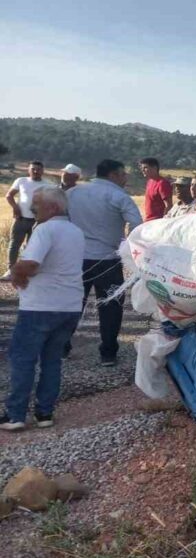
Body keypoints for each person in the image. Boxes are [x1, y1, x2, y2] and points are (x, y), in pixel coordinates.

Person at [0, 186, 85, 431]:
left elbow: (31, 264)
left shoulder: (45, 230)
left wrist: (17, 273)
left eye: (37, 203)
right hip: (69, 306)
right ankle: (44, 413)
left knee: (22, 359)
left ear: (53, 207)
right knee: (52, 361)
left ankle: (15, 415)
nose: (32, 207)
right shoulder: (76, 231)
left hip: (40, 306)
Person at [66, 159, 143, 367]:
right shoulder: (119, 196)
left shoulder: (73, 193)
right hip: (108, 259)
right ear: (113, 175)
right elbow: (137, 224)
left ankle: (61, 346)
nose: (126, 178)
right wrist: (126, 246)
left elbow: (62, 218)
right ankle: (108, 353)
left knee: (71, 303)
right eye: (123, 174)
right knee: (110, 307)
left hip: (76, 258)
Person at [5, 161, 49, 275]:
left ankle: (27, 270)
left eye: (38, 169)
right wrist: (15, 207)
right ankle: (11, 270)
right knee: (14, 244)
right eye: (33, 169)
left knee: (32, 246)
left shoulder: (48, 185)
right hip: (21, 219)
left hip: (38, 221)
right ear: (28, 170)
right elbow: (9, 195)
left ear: (42, 171)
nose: (35, 171)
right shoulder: (21, 181)